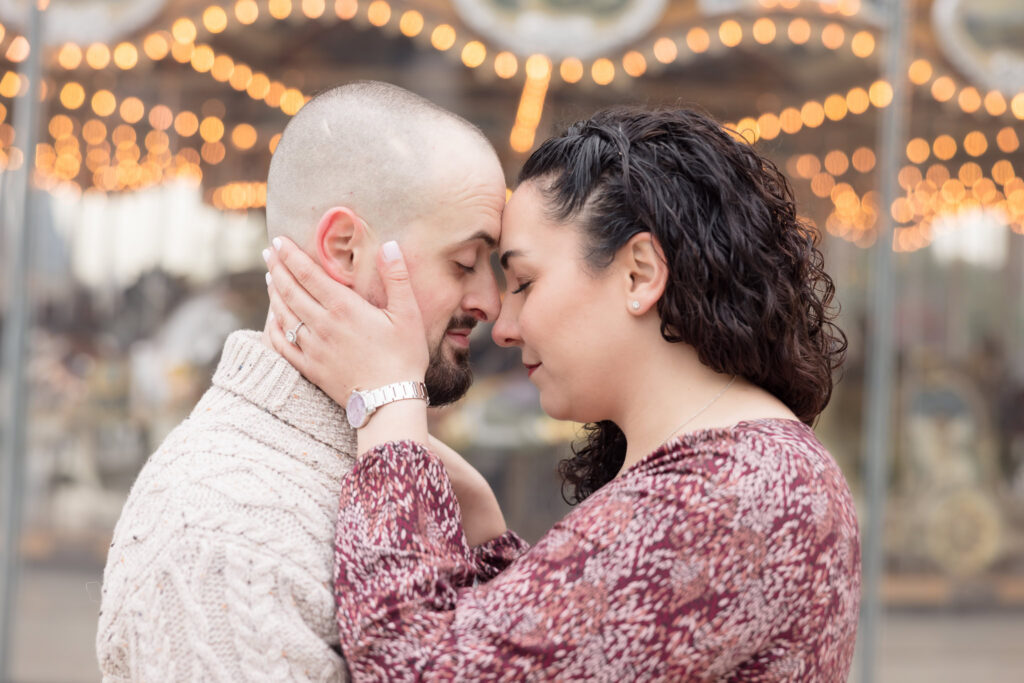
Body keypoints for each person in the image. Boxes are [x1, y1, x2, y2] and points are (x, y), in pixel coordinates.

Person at [264, 106, 861, 680]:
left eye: (523, 281)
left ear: (640, 273)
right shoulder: (750, 471)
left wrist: (387, 408)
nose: (501, 323)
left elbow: (421, 668)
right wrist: (484, 525)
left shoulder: (727, 494)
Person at [96, 82, 509, 681]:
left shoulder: (406, 465)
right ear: (344, 251)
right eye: (465, 263)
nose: (489, 301)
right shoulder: (226, 534)